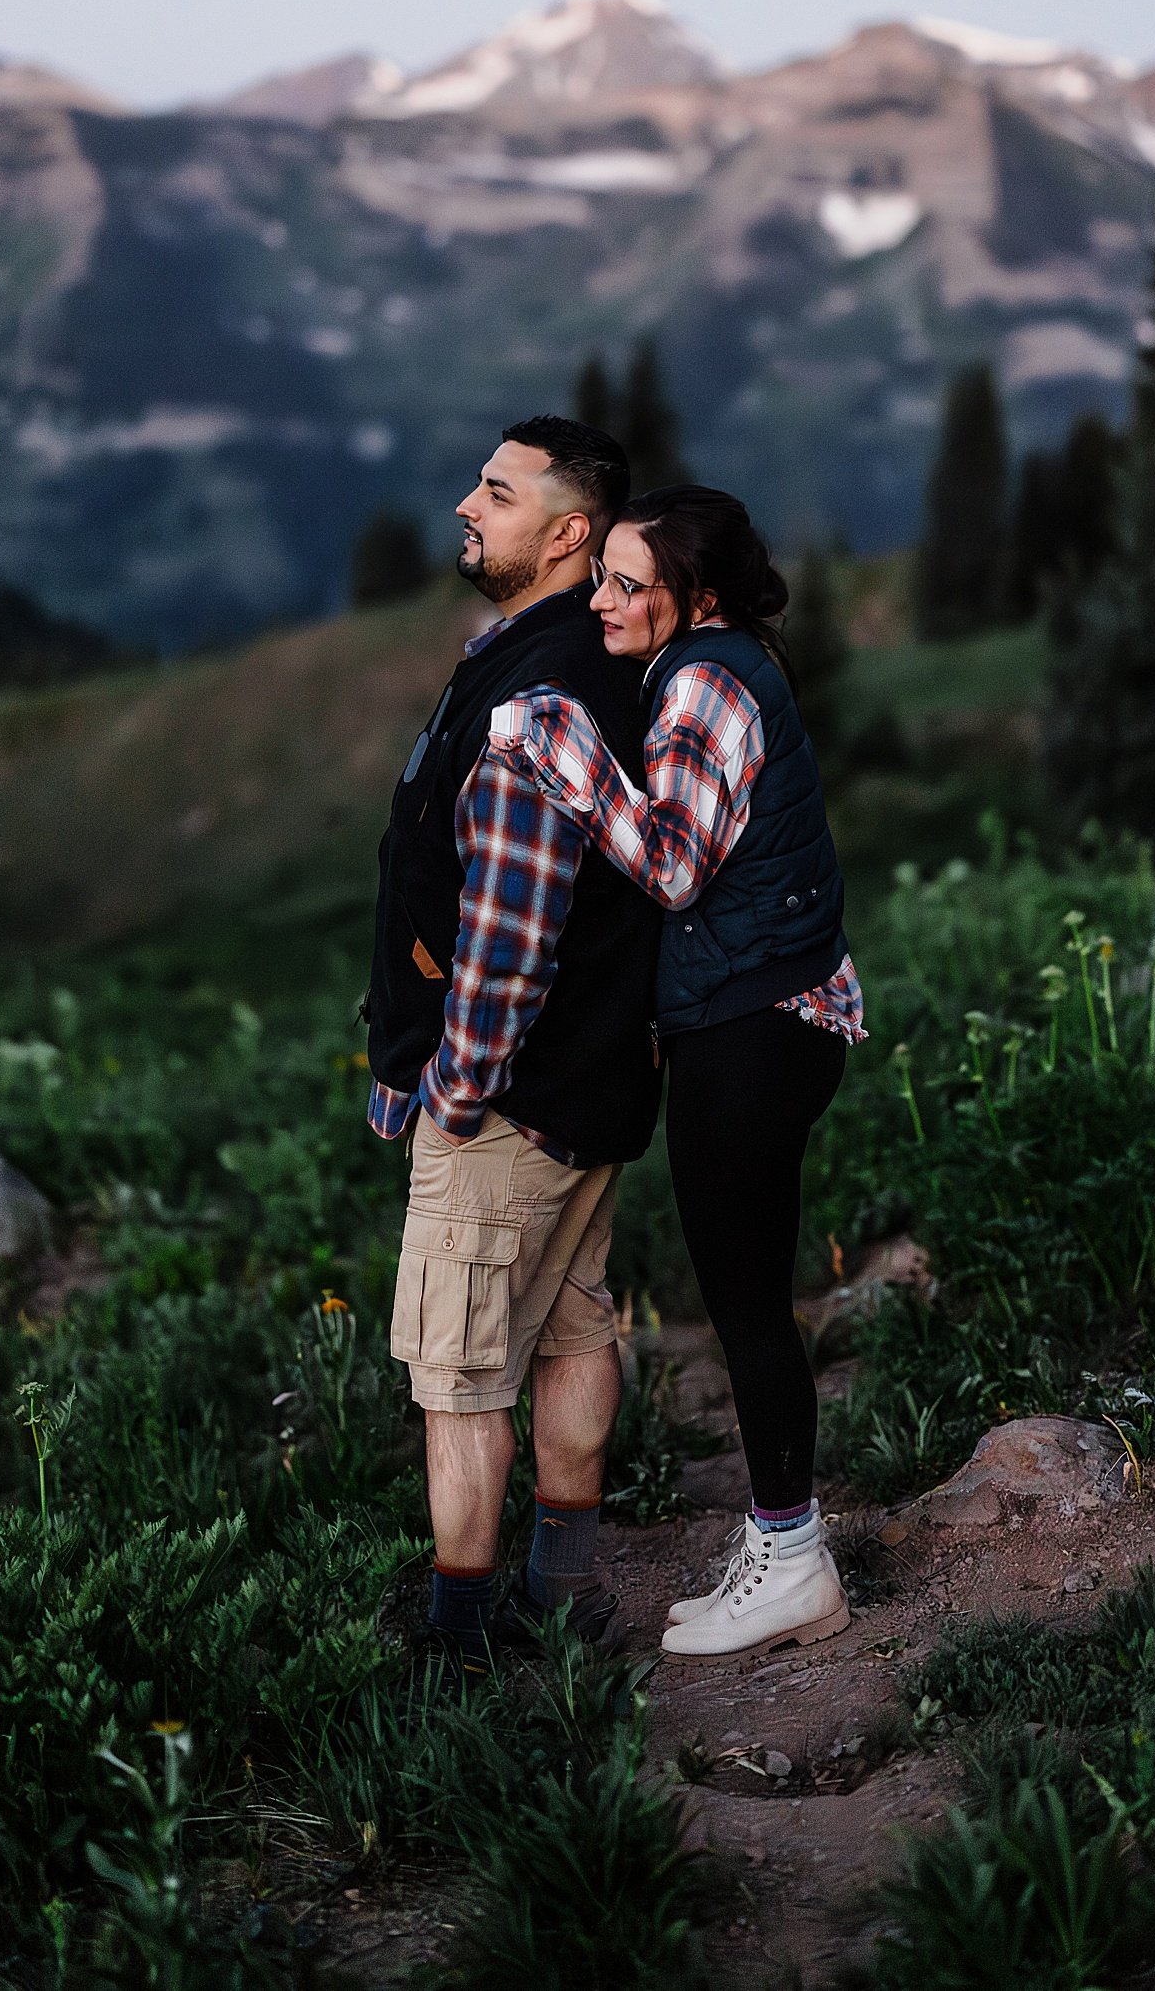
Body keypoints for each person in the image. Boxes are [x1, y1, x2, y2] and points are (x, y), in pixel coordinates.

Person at [491, 483, 864, 1658]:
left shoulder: (703, 680)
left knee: (747, 1304)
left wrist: (561, 751)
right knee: (740, 1295)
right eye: (597, 573)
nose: (600, 599)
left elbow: (670, 864)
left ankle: (796, 1558)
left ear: (694, 597)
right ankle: (778, 1535)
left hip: (757, 1025)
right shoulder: (715, 660)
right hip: (761, 1011)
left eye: (626, 583)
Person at [365, 417, 662, 1673]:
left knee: (459, 1369)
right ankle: (568, 1585)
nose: (463, 506)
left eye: (495, 489)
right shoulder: (557, 657)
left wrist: (458, 1086)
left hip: (511, 1102)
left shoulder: (538, 694)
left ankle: (459, 1639)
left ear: (569, 532)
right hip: (593, 1082)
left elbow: (511, 931)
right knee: (571, 1325)